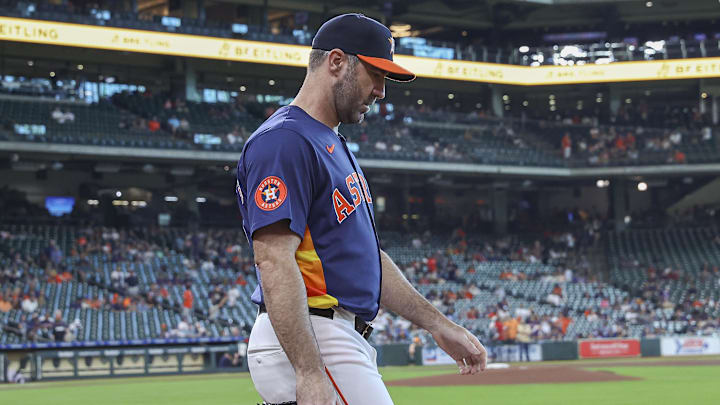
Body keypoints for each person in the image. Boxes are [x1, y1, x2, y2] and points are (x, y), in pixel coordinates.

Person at [235, 13, 486, 405]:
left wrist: (438, 324)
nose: (381, 92)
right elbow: (272, 260)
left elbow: (368, 259)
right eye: (375, 74)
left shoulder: (328, 141)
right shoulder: (285, 141)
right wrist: (309, 371)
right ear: (336, 62)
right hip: (315, 336)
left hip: (336, 336)